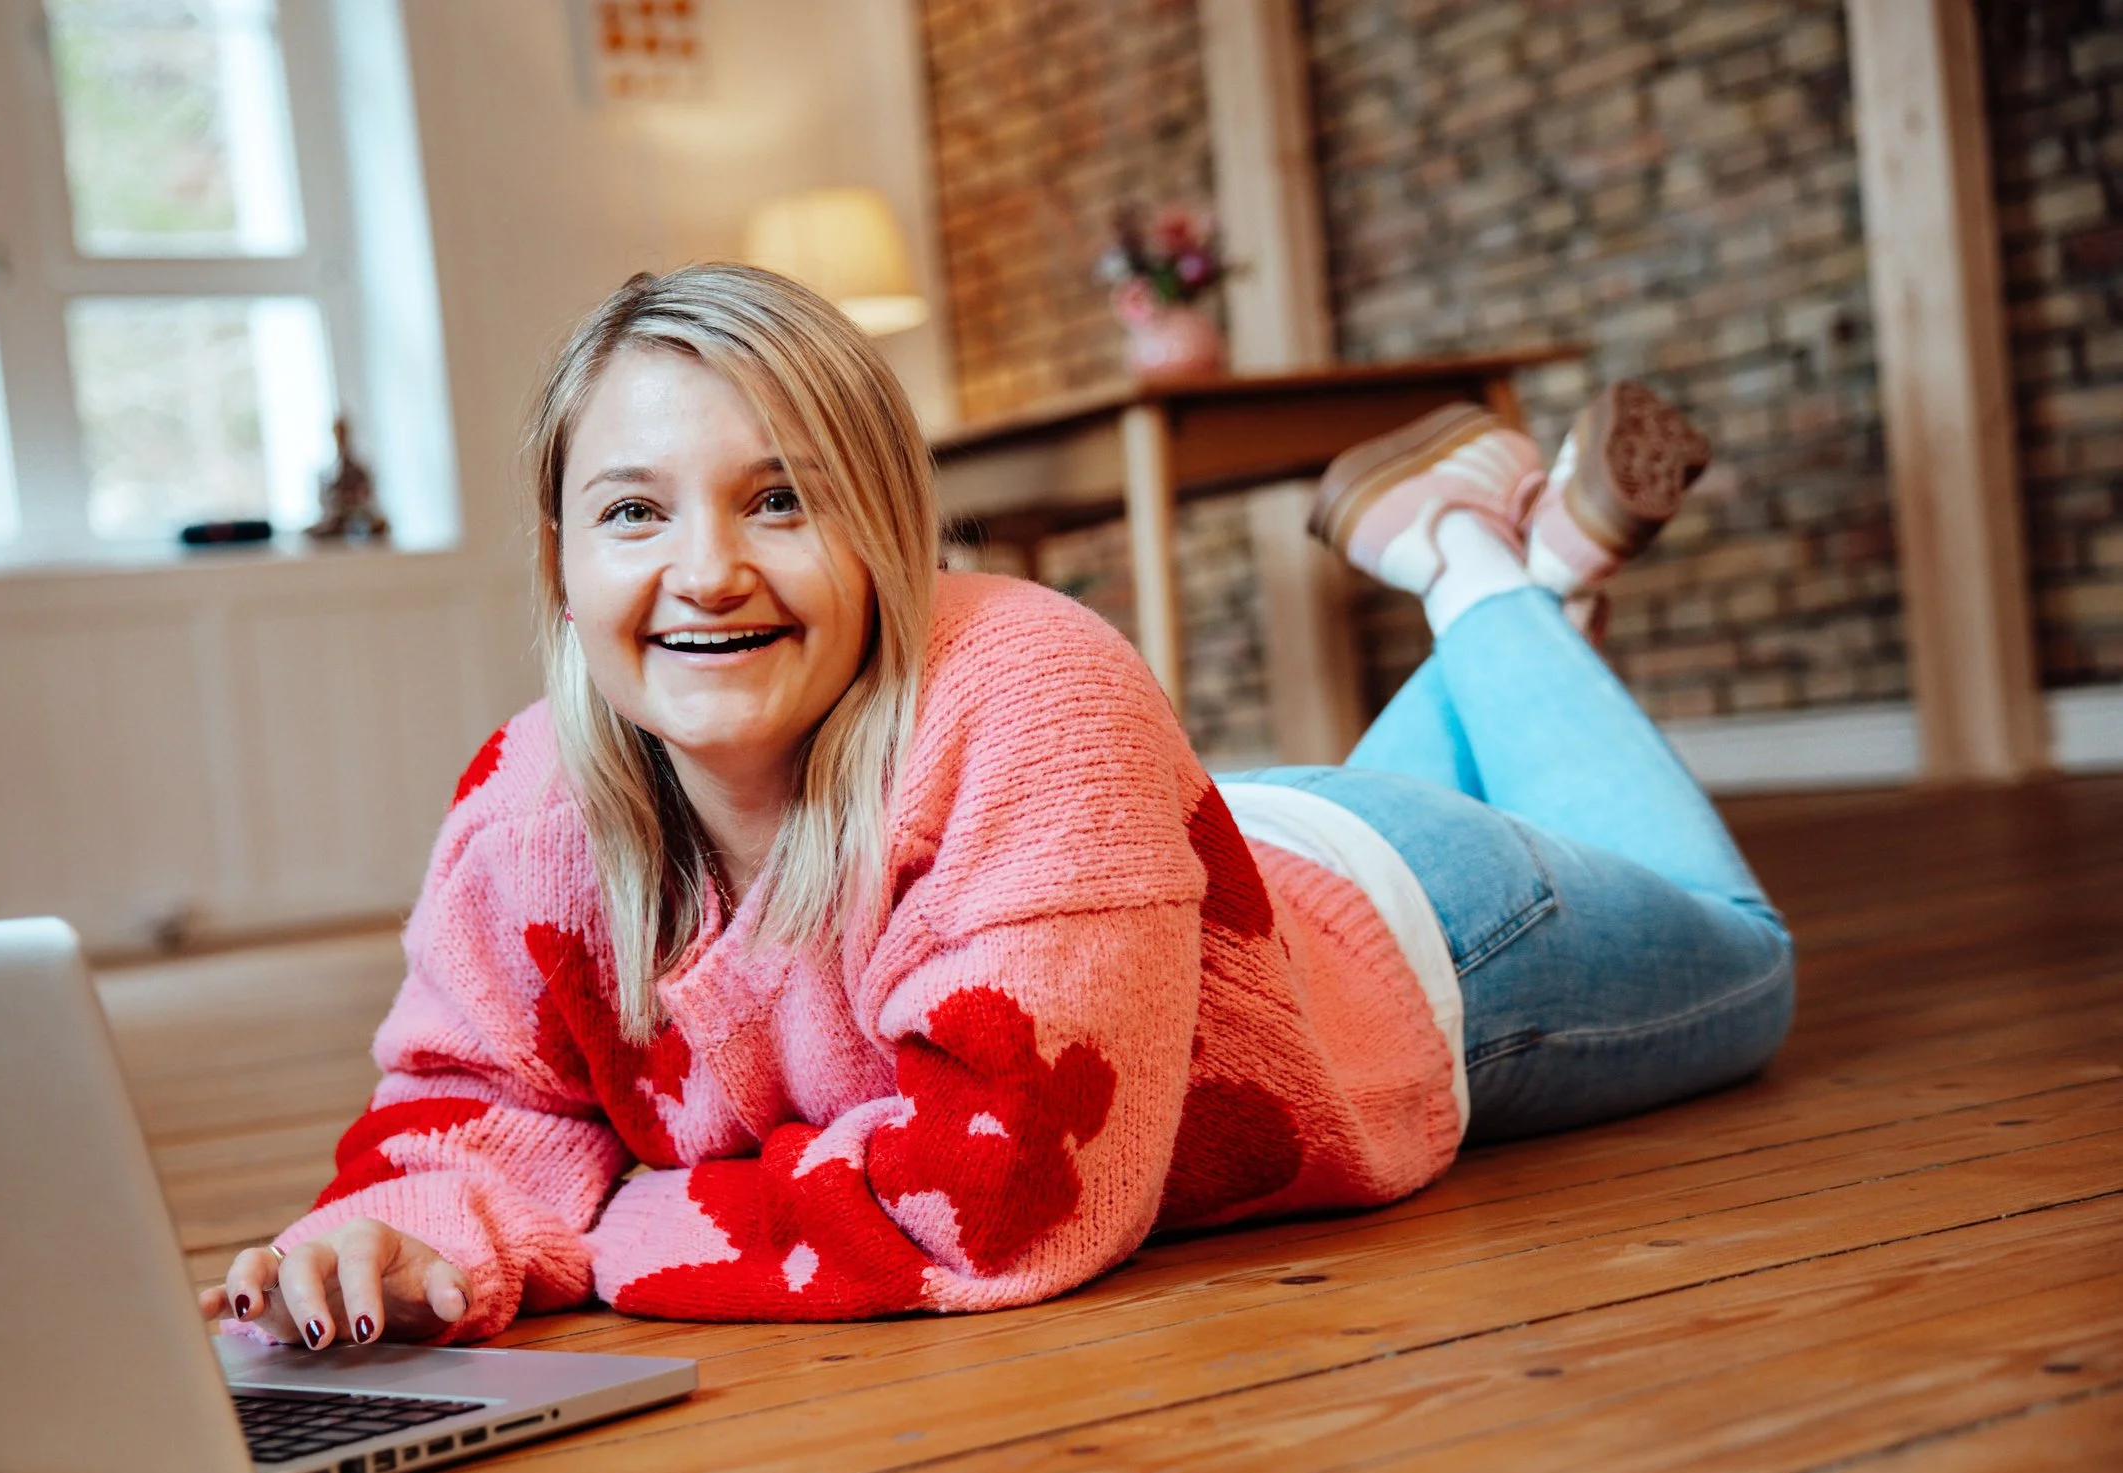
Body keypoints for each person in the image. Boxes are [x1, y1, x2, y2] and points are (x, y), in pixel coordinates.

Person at [201, 265, 1792, 1352]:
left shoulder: (1037, 680)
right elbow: (475, 1110)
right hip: (1144, 876)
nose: (705, 572)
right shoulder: (530, 801)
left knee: (1748, 958)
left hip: (1400, 943)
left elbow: (1002, 1200)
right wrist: (415, 1232)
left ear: (889, 526)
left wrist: (608, 1217)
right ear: (564, 565)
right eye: (634, 511)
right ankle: (1538, 572)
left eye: (782, 497)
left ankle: (1471, 565)